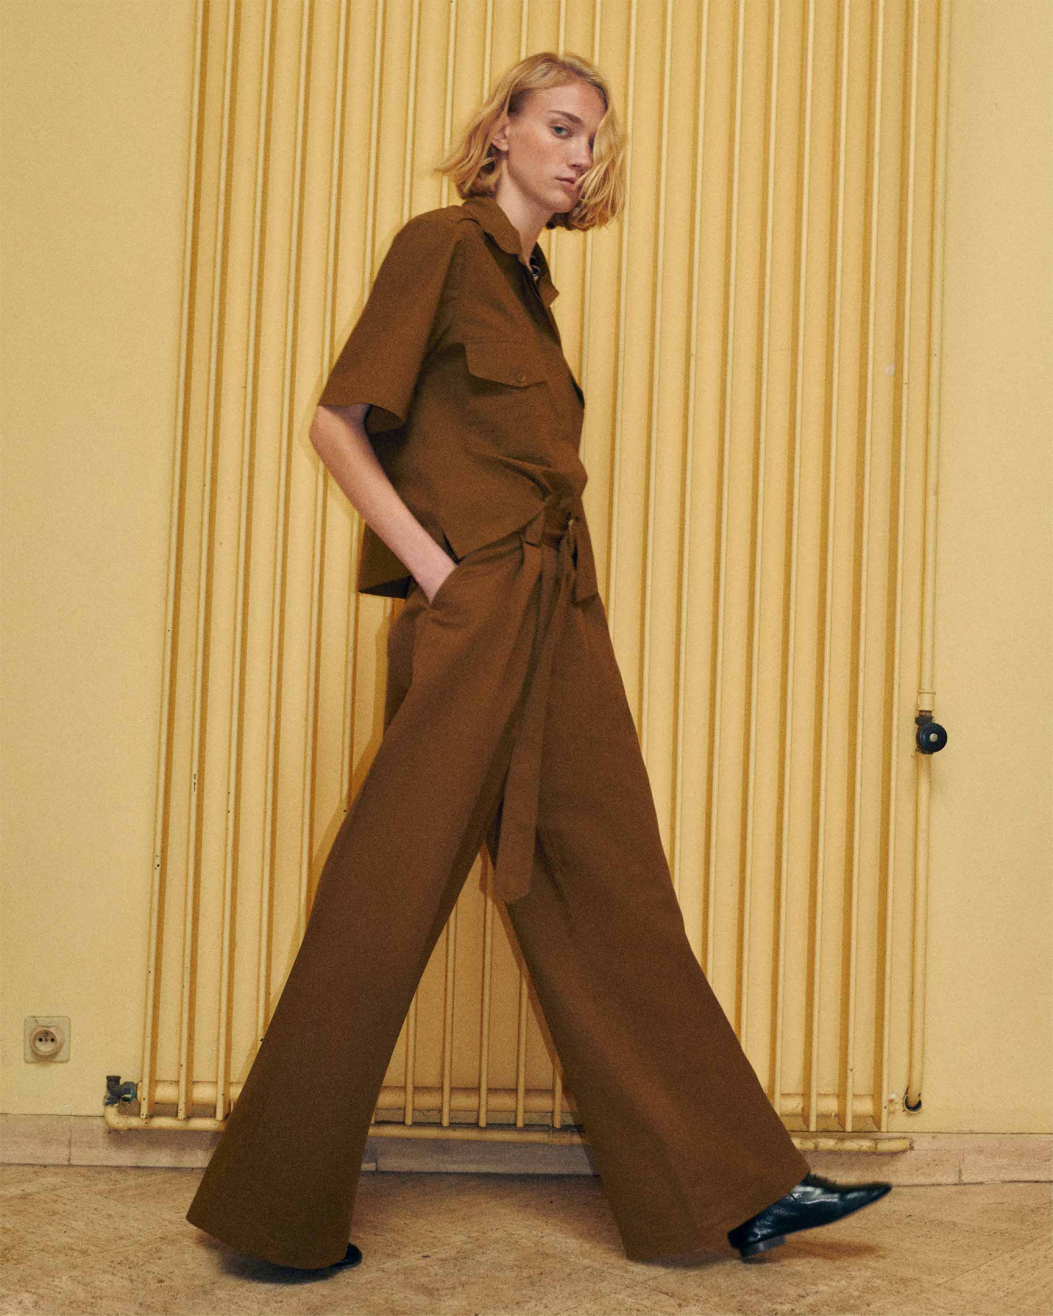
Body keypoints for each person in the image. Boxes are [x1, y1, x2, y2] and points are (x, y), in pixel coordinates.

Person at [185, 51, 891, 1275]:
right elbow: (336, 423)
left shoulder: (529, 291)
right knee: (384, 894)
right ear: (501, 129)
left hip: (559, 608)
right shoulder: (440, 247)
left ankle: (737, 1190)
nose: (579, 154)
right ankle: (271, 1211)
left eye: (592, 139)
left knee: (616, 884)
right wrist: (439, 572)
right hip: (481, 607)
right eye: (560, 127)